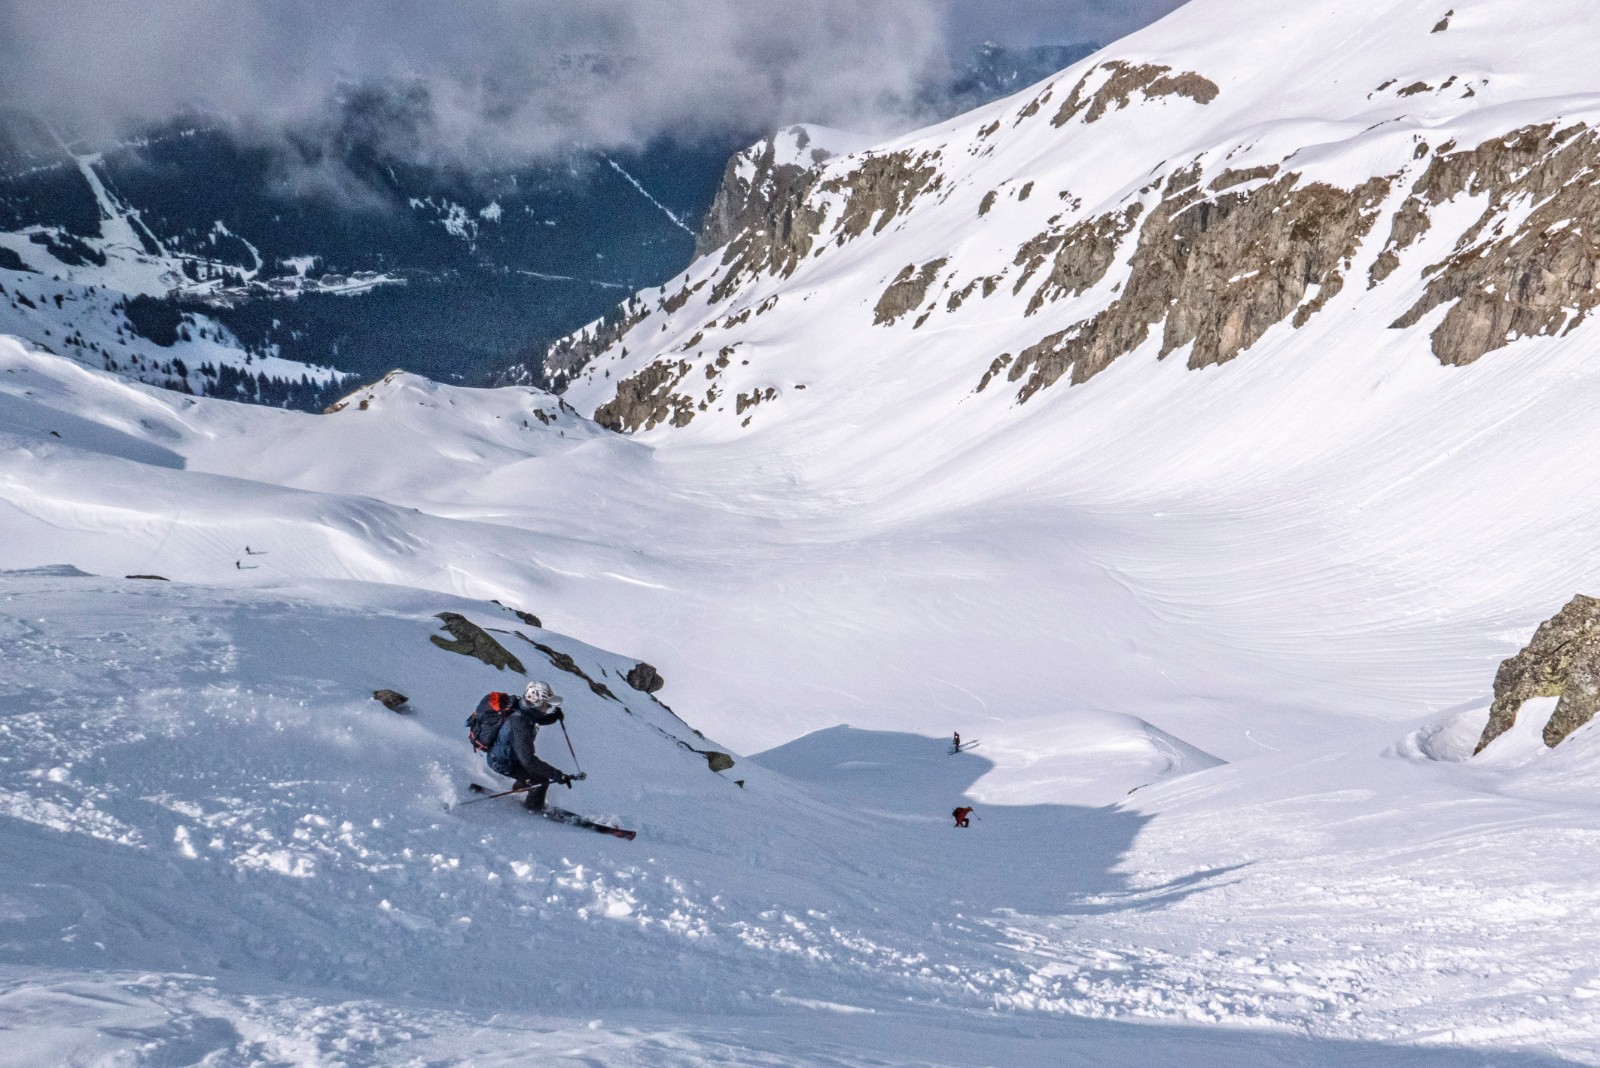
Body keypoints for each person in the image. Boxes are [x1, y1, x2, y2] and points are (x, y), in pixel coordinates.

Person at [488, 681, 575, 811]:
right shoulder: (519, 722)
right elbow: (528, 761)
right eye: (546, 705)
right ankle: (532, 810)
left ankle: (520, 787)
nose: (548, 708)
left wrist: (554, 717)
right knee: (541, 781)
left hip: (510, 756)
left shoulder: (524, 709)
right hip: (502, 762)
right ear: (537, 702)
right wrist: (558, 775)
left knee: (534, 770)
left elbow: (536, 718)